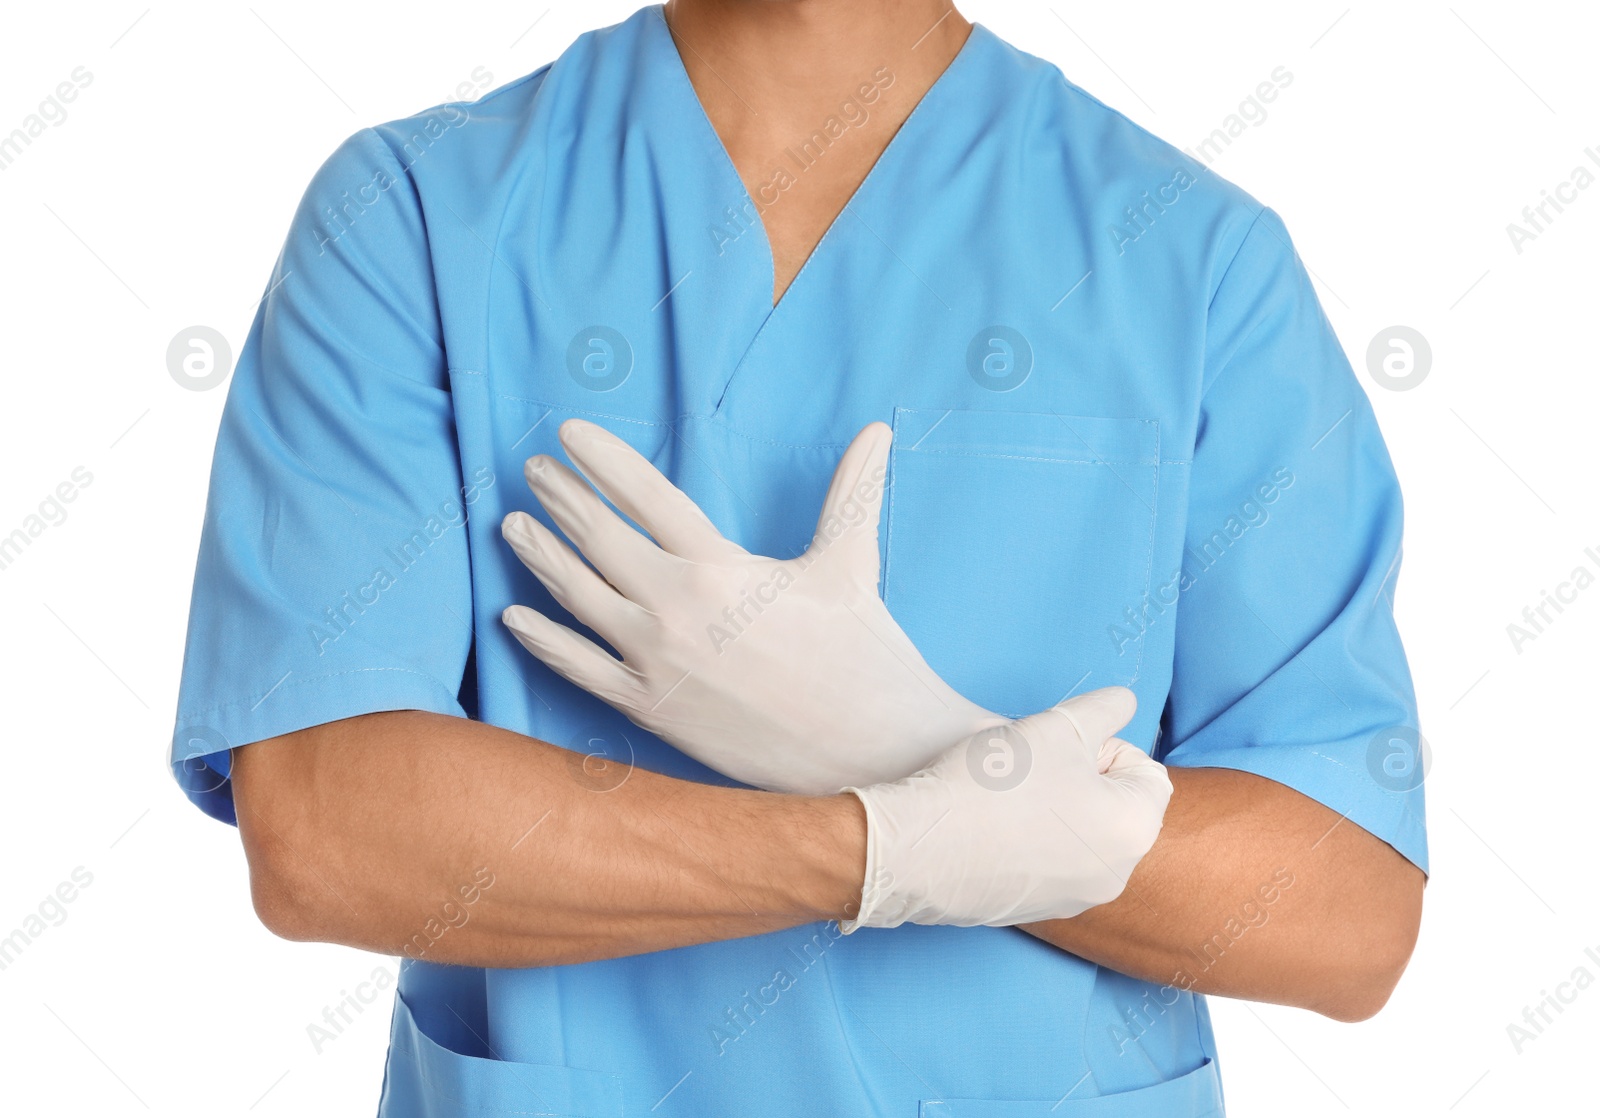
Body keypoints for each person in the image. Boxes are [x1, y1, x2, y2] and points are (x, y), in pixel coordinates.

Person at [170, 2, 1427, 1114]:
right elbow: (330, 828)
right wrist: (890, 834)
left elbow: (1344, 910)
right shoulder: (417, 222)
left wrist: (900, 732)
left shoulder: (1193, 261)